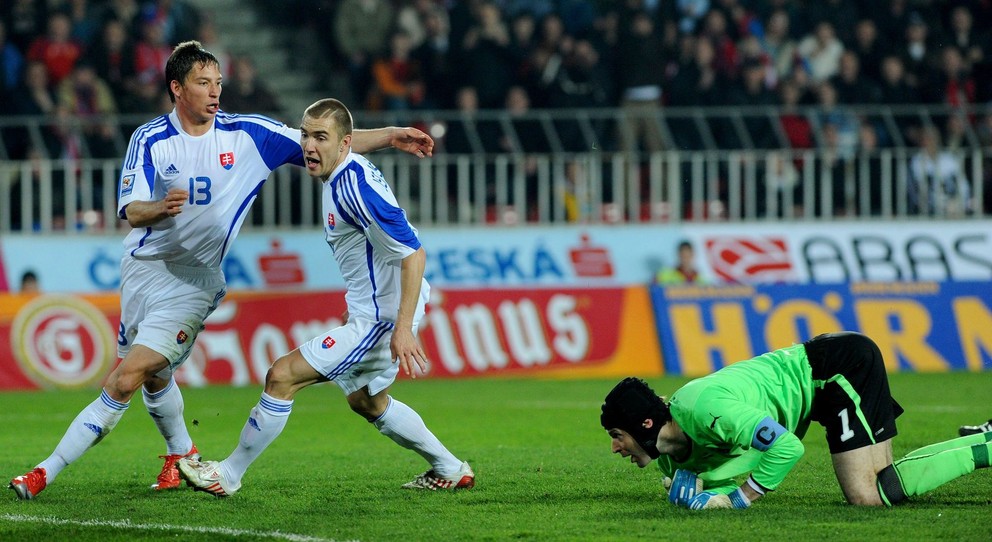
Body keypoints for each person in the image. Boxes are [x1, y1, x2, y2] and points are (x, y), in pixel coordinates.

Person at [9, 41, 435, 501]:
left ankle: (42, 472)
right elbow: (130, 211)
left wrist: (391, 135)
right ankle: (180, 453)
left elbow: (322, 144)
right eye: (203, 83)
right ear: (177, 88)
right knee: (154, 375)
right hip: (143, 270)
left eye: (218, 83)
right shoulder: (150, 138)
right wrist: (158, 207)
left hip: (195, 282)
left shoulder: (247, 134)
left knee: (126, 377)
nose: (215, 93)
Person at [176, 98, 473, 496]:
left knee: (282, 375)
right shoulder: (340, 170)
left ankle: (227, 475)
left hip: (381, 318)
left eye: (321, 137)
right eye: (305, 135)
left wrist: (401, 328)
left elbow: (414, 253)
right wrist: (388, 136)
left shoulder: (355, 187)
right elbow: (348, 152)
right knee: (366, 401)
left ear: (344, 144)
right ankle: (450, 467)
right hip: (373, 310)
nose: (309, 146)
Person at [601, 332, 992, 509]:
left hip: (836, 371)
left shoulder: (707, 412)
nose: (616, 447)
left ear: (645, 426)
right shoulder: (670, 449)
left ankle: (986, 447)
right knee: (883, 483)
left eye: (618, 435)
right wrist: (690, 487)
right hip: (822, 374)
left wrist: (737, 499)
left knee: (868, 496)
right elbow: (737, 459)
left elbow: (786, 446)